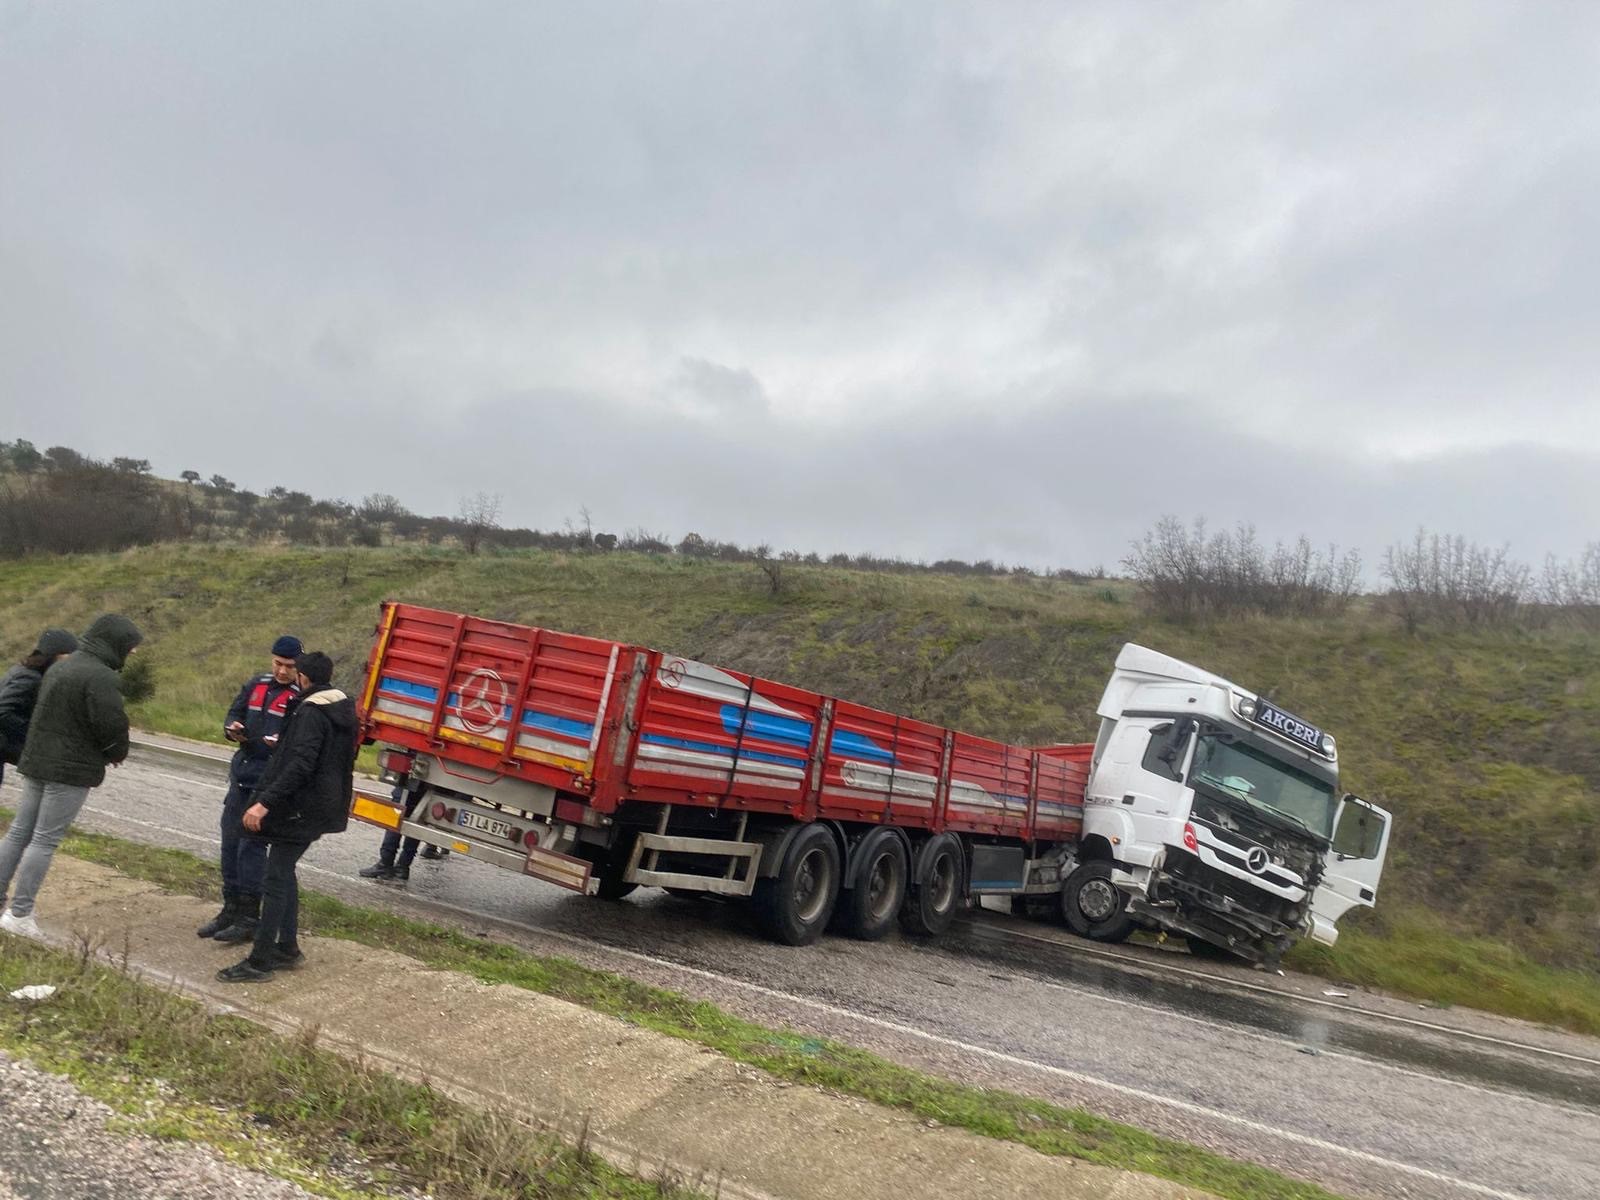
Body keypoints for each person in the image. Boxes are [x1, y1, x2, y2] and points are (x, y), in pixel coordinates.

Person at [0, 614, 142, 940]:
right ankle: (20, 913)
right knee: (44, 839)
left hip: (37, 761)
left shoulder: (60, 667)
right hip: (69, 770)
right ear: (114, 642)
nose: (131, 653)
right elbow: (110, 723)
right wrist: (115, 752)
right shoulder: (101, 676)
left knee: (19, 832)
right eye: (129, 647)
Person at [218, 651, 355, 982]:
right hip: (321, 805)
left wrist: (264, 802)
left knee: (275, 879)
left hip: (300, 809)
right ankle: (287, 948)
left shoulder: (311, 712)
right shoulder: (343, 709)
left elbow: (301, 764)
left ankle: (260, 961)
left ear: (303, 679)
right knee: (283, 872)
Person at [199, 635, 302, 943]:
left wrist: (279, 745)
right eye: (278, 664)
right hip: (242, 774)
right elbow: (234, 714)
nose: (282, 672)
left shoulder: (300, 696)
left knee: (251, 850)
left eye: (289, 666)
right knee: (230, 844)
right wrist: (233, 730)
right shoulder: (257, 684)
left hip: (267, 784)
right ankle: (229, 908)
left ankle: (249, 916)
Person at [0, 629, 79, 790]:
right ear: (56, 654)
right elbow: (3, 711)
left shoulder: (25, 670)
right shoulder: (30, 677)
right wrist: (32, 732)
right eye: (68, 655)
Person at [358, 776, 431, 881]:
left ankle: (386, 863)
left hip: (415, 775)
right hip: (438, 782)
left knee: (396, 811)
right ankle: (403, 867)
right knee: (419, 816)